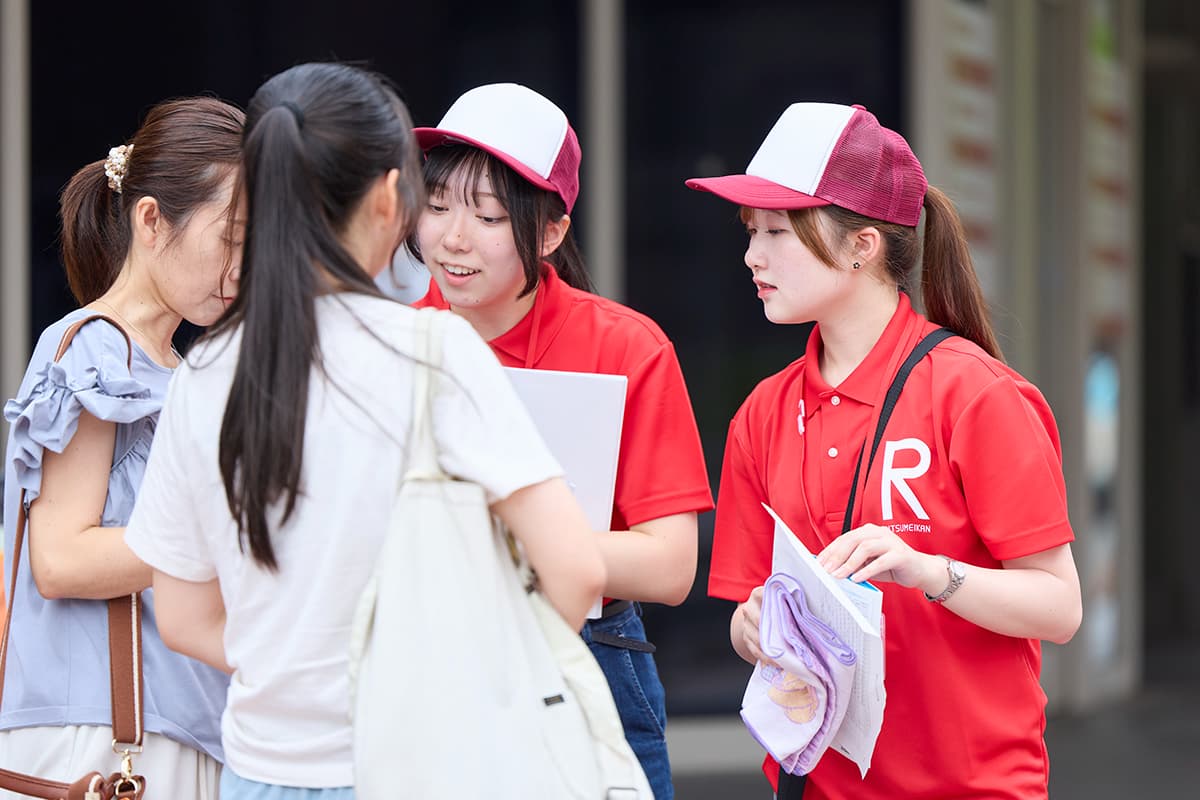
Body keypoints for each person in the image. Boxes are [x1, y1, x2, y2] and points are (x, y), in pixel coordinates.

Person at [121, 63, 606, 800]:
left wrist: (292, 672)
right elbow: (575, 573)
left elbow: (185, 619)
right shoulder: (436, 353)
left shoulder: (205, 373)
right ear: (388, 199)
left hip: (259, 772)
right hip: (416, 769)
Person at [688, 102, 1083, 799]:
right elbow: (746, 618)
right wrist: (751, 630)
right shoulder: (762, 414)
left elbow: (1059, 607)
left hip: (974, 786)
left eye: (777, 230)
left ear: (862, 245)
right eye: (751, 231)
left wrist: (925, 570)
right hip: (817, 786)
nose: (753, 255)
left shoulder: (976, 394)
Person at [410, 82, 713, 799]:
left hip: (586, 655)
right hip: (425, 656)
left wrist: (492, 541)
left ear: (549, 233)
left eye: (488, 216)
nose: (453, 238)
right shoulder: (388, 338)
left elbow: (671, 566)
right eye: (438, 205)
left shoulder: (624, 347)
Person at [1, 97, 244, 798]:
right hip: (103, 739)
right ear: (151, 220)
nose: (240, 266)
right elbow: (60, 558)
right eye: (230, 238)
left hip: (178, 727)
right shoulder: (94, 349)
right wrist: (232, 537)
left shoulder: (185, 371)